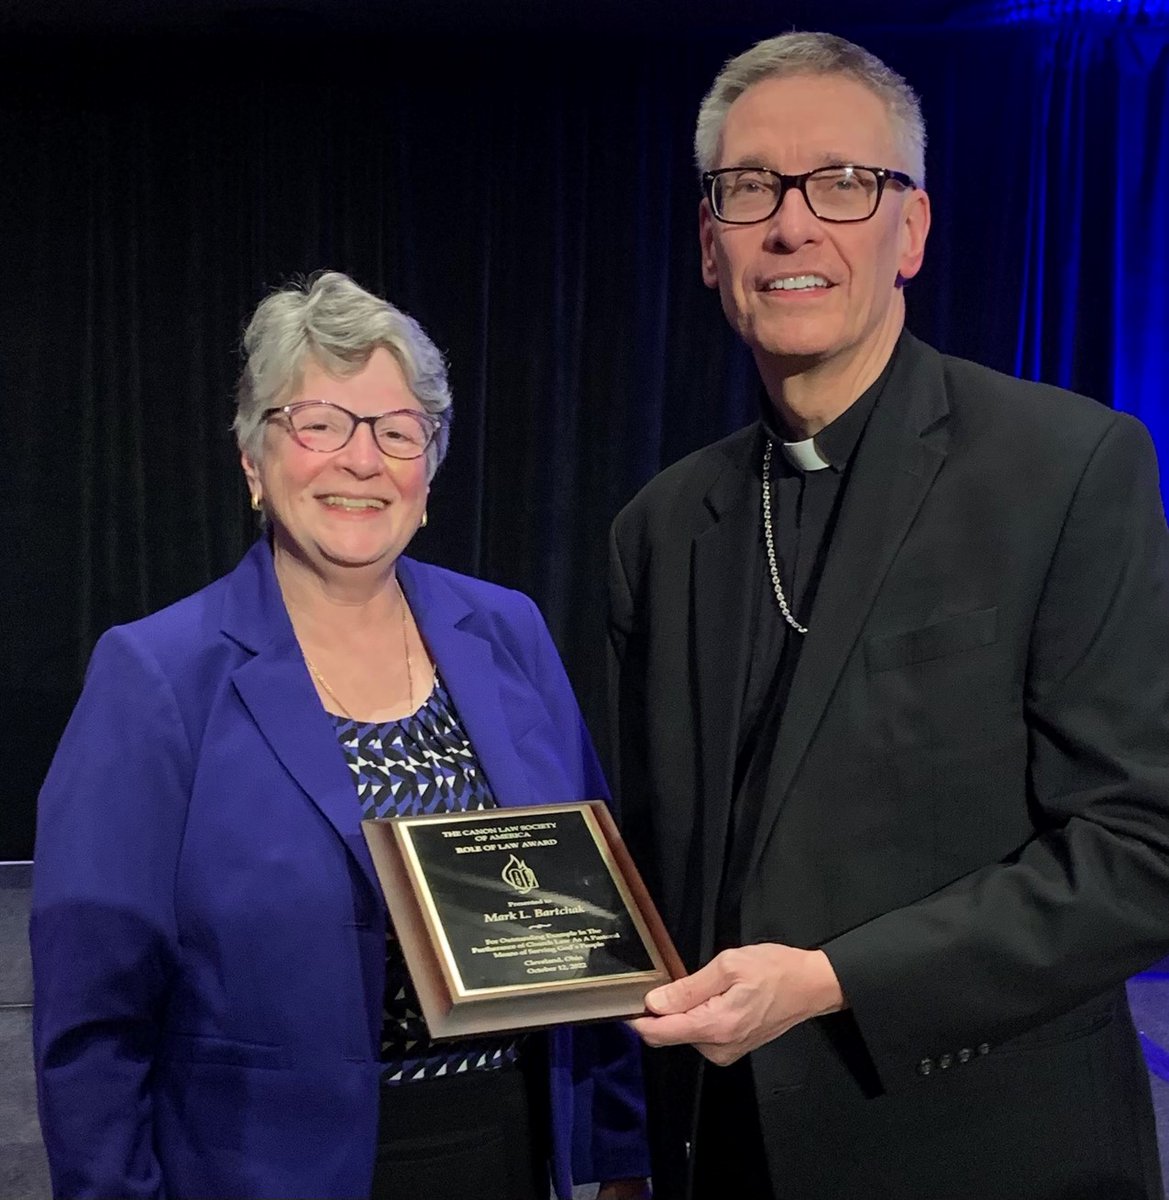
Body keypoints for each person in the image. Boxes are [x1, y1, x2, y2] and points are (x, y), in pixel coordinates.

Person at [609, 31, 1169, 1200]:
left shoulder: (1063, 466)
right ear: (709, 245)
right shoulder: (661, 529)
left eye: (843, 183)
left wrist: (827, 980)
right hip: (723, 1159)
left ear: (909, 230)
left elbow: (1138, 853)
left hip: (984, 1152)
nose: (790, 223)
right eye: (748, 186)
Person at [32, 271, 650, 1200]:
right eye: (319, 423)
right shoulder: (156, 675)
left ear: (428, 471)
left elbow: (596, 931)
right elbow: (94, 1021)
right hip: (268, 1171)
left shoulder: (508, 631)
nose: (361, 461)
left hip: (511, 1148)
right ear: (254, 460)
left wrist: (615, 1157)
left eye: (397, 431)